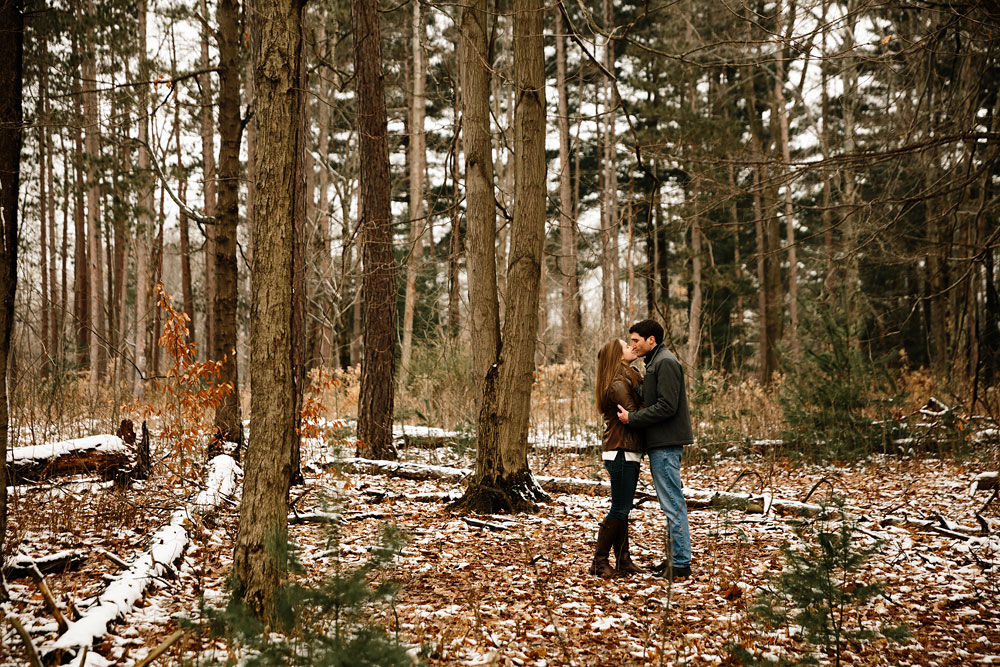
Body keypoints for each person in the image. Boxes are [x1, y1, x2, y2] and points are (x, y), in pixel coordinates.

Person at [616, 319, 693, 580]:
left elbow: (667, 406)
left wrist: (632, 419)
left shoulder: (665, 362)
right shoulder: (655, 363)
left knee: (672, 503)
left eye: (636, 340)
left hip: (666, 444)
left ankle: (681, 563)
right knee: (670, 502)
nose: (633, 345)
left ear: (652, 340)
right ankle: (675, 559)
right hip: (660, 443)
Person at [590, 338, 646, 578]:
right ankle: (599, 561)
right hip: (620, 450)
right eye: (626, 347)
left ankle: (623, 560)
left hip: (626, 450)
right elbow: (635, 413)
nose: (632, 347)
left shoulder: (627, 376)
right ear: (617, 357)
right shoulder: (618, 383)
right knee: (620, 509)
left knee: (623, 509)